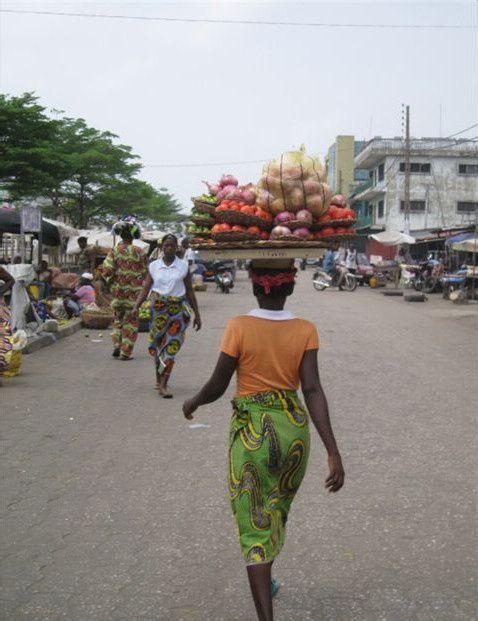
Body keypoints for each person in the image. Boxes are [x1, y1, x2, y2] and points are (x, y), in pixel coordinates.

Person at [182, 259, 344, 621]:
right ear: (290, 288)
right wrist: (333, 451)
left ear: (255, 286)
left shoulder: (239, 326)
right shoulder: (306, 329)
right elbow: (313, 389)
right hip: (293, 436)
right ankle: (266, 576)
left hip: (253, 435)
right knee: (274, 509)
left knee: (254, 521)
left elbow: (219, 384)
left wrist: (193, 401)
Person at [133, 234, 201, 398]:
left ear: (177, 247)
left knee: (171, 347)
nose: (169, 248)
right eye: (166, 246)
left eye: (172, 245)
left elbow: (190, 291)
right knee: (157, 346)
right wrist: (137, 305)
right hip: (158, 310)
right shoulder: (154, 266)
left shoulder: (183, 266)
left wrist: (197, 314)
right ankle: (158, 378)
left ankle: (164, 384)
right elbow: (146, 288)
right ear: (161, 248)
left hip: (178, 311)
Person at [102, 217, 148, 361]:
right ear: (133, 236)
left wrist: (110, 281)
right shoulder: (140, 252)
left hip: (118, 294)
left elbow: (107, 270)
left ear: (121, 236)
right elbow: (147, 272)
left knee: (118, 321)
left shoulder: (114, 251)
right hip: (134, 296)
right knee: (131, 324)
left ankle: (117, 343)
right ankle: (125, 352)